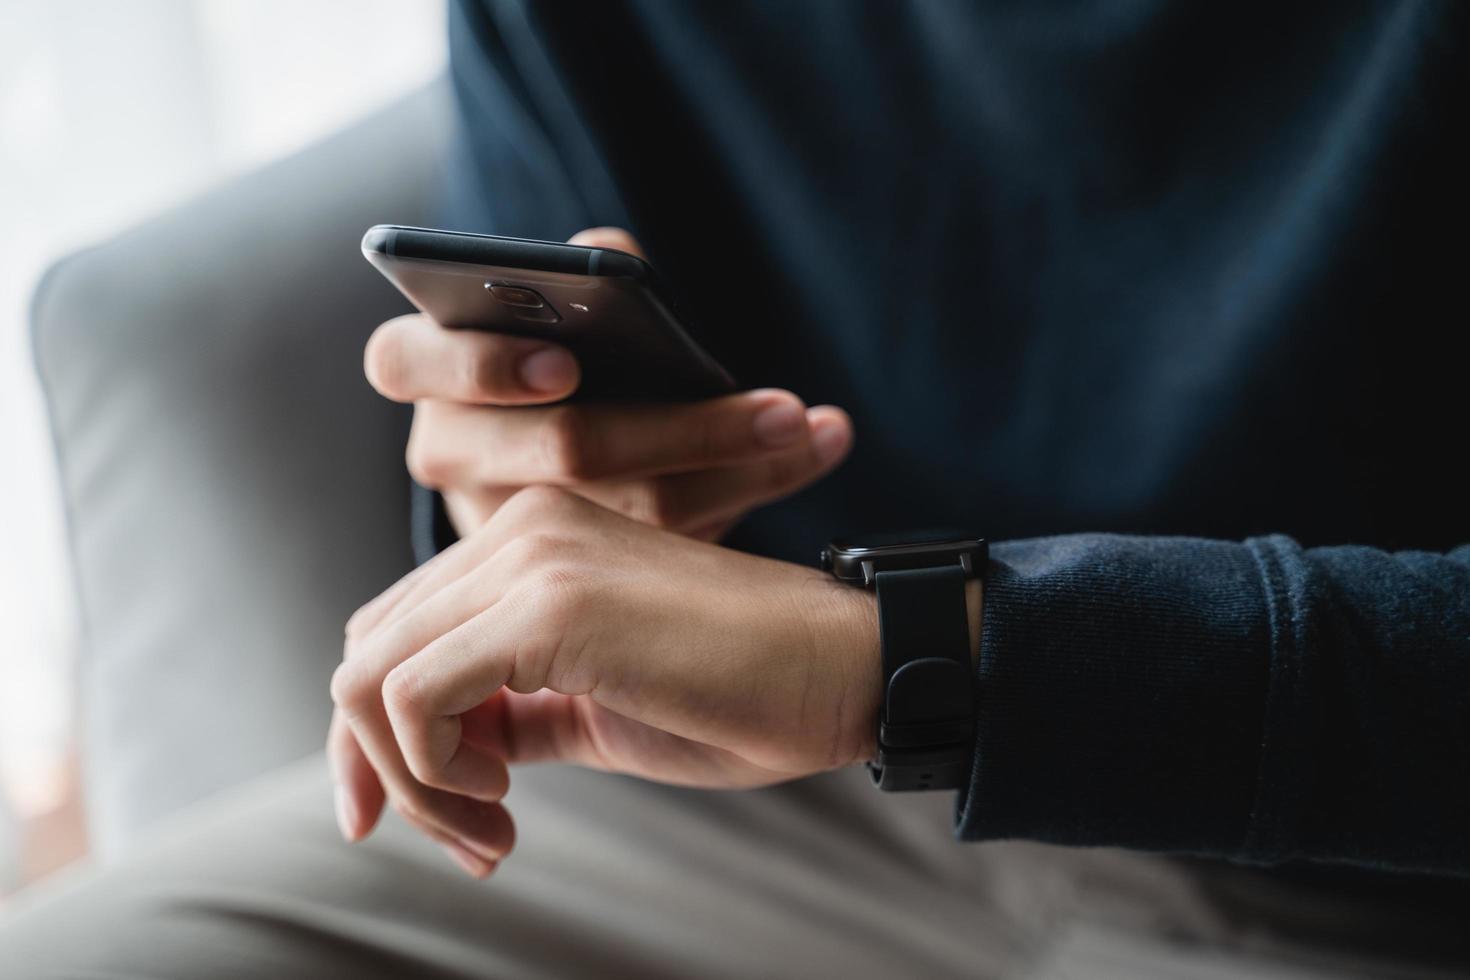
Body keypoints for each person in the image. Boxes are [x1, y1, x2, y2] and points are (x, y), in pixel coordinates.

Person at [4, 2, 1469, 976]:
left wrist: (922, 660)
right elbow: (544, 365)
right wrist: (533, 492)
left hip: (1369, 844)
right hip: (751, 788)